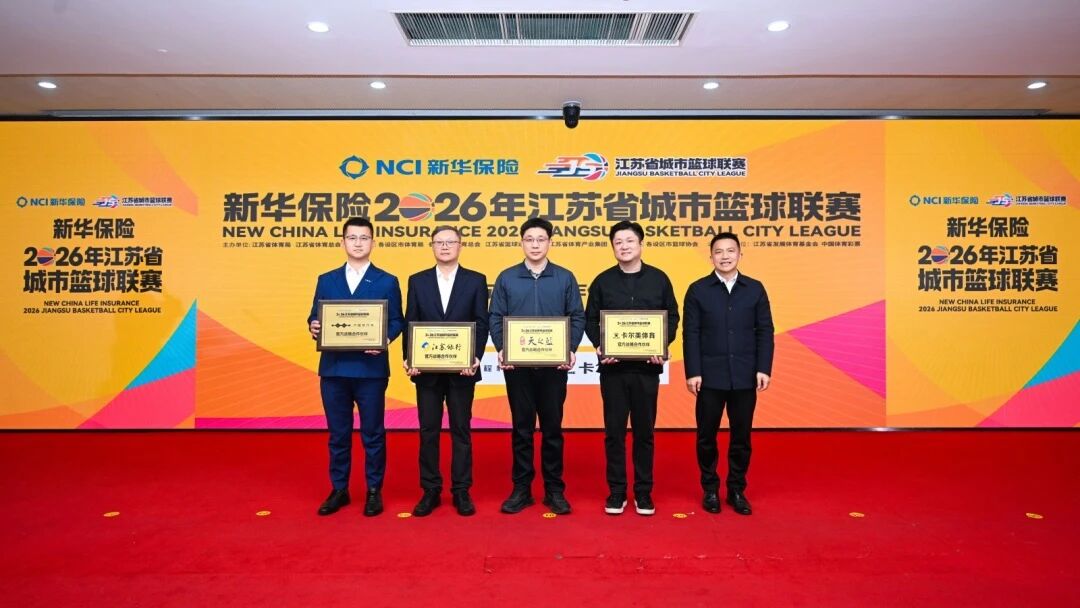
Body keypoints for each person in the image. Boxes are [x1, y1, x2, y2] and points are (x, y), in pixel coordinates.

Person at [308, 217, 404, 517]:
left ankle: (374, 490)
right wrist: (313, 325)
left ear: (373, 242)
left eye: (364, 238)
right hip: (334, 370)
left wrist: (385, 338)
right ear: (343, 242)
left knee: (373, 434)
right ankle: (339, 489)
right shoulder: (327, 279)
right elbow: (314, 316)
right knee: (338, 434)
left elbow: (397, 320)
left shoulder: (387, 280)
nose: (358, 243)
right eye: (352, 238)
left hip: (370, 371)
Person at [489, 217, 585, 515]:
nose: (534, 244)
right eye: (529, 239)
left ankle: (554, 490)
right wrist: (503, 348)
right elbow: (495, 316)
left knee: (553, 429)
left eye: (540, 239)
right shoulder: (507, 278)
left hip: (553, 367)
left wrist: (569, 348)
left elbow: (577, 316)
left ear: (549, 242)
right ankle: (522, 489)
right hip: (517, 367)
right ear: (521, 242)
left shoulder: (564, 277)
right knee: (522, 428)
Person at [585, 221, 679, 516]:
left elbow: (672, 317)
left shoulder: (659, 279)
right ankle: (616, 491)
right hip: (613, 369)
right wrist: (600, 346)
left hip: (647, 369)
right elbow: (590, 320)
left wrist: (661, 345)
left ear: (641, 244)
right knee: (614, 432)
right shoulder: (602, 281)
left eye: (629, 241)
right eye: (618, 242)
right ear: (613, 247)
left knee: (644, 432)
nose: (624, 246)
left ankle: (643, 492)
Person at [682, 232, 774, 516]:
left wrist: (763, 367)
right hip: (709, 377)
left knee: (741, 437)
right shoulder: (698, 290)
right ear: (711, 256)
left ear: (739, 254)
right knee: (706, 436)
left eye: (730, 251)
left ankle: (736, 489)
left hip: (745, 375)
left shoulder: (755, 289)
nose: (725, 256)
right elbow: (690, 333)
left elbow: (765, 331)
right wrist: (693, 371)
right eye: (719, 252)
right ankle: (710, 489)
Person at [402, 225, 489, 517]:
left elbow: (481, 322)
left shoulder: (476, 280)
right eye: (439, 242)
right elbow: (410, 321)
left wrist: (475, 357)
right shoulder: (418, 281)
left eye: (451, 242)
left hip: (462, 370)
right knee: (428, 430)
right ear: (432, 246)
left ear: (460, 246)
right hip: (427, 371)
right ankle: (430, 489)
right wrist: (409, 357)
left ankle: (461, 490)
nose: (445, 247)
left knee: (461, 430)